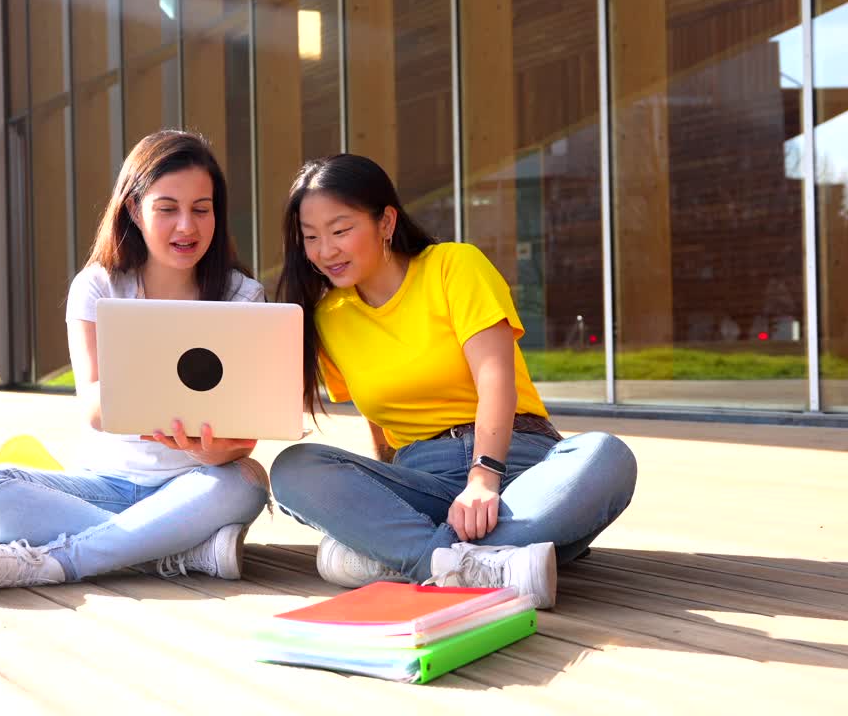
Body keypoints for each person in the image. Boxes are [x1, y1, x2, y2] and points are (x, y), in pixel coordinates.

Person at [270, 154, 637, 608]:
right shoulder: (329, 318)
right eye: (311, 237)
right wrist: (380, 497)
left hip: (522, 471)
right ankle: (479, 564)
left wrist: (484, 477)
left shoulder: (453, 266)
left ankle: (408, 557)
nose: (325, 251)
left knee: (606, 455)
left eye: (340, 231)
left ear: (386, 221)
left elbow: (494, 376)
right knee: (293, 467)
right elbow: (378, 424)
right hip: (427, 485)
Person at [0, 130, 269, 593]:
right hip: (103, 485)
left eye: (201, 209)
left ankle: (59, 560)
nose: (187, 227)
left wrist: (203, 450)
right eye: (167, 208)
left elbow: (242, 439)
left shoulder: (243, 298)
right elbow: (94, 405)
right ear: (134, 209)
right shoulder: (98, 287)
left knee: (245, 483)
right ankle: (173, 552)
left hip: (194, 484)